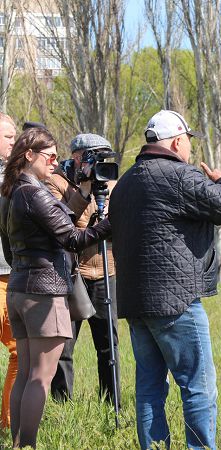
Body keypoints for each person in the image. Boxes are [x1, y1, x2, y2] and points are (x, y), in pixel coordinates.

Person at [109, 110, 221, 450]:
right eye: (189, 142)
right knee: (198, 385)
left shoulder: (125, 182)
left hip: (135, 303)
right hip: (177, 301)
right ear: (179, 141)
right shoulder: (179, 175)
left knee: (150, 387)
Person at [0, 127, 111, 449]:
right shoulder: (33, 193)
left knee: (25, 373)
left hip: (20, 287)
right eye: (48, 155)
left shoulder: (10, 191)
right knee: (40, 376)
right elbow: (73, 238)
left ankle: (20, 443)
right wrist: (114, 221)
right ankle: (27, 445)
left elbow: (11, 247)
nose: (54, 161)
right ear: (29, 155)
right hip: (43, 293)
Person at [44, 133, 120, 405]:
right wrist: (84, 192)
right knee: (63, 346)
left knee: (108, 345)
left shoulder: (111, 181)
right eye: (93, 157)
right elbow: (63, 223)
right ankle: (62, 405)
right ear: (76, 157)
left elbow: (116, 224)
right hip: (71, 274)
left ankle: (112, 404)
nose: (99, 164)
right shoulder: (55, 180)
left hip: (105, 271)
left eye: (104, 158)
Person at [0, 113, 16, 431]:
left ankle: (9, 424)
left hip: (14, 277)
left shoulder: (16, 177)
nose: (14, 143)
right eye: (9, 138)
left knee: (21, 353)